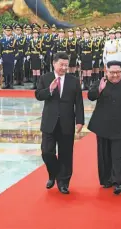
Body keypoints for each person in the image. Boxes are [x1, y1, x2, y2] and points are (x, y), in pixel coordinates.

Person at [35, 52, 84, 194]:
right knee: (46, 152)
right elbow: (38, 95)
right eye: (61, 65)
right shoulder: (45, 78)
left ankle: (63, 183)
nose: (64, 68)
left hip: (67, 122)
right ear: (54, 63)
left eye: (66, 65)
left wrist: (80, 121)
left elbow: (79, 103)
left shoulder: (73, 80)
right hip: (49, 123)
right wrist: (50, 89)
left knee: (66, 154)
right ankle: (53, 173)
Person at [87, 60, 121, 195]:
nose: (115, 75)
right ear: (106, 71)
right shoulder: (101, 83)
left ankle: (118, 182)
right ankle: (106, 179)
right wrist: (100, 89)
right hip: (102, 126)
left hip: (120, 127)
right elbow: (91, 96)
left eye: (118, 72)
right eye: (112, 73)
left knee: (118, 155)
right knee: (104, 154)